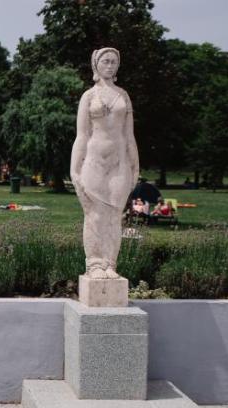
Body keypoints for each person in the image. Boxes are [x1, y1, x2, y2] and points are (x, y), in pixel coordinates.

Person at [70, 47, 139, 279]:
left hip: (119, 164)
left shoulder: (124, 95)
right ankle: (94, 264)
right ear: (96, 66)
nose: (110, 65)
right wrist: (74, 168)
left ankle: (110, 264)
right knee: (94, 215)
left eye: (113, 62)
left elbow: (129, 136)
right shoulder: (89, 96)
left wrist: (135, 166)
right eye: (105, 61)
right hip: (94, 161)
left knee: (114, 216)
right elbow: (81, 135)